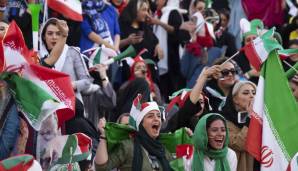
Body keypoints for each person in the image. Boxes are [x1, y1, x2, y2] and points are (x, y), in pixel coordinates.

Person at [95, 101, 173, 171]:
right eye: (150, 116)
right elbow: (101, 167)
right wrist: (104, 135)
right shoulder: (128, 146)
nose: (156, 119)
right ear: (141, 124)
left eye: (159, 116)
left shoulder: (163, 150)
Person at [39, 18, 99, 103]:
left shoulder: (72, 52)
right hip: (46, 106)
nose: (54, 37)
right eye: (50, 33)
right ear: (44, 36)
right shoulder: (36, 55)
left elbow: (87, 82)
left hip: (72, 105)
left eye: (58, 34)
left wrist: (73, 85)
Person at [221, 81, 256, 171]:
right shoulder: (222, 122)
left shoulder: (260, 120)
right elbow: (240, 144)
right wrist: (249, 117)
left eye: (254, 93)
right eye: (246, 93)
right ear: (235, 99)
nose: (252, 96)